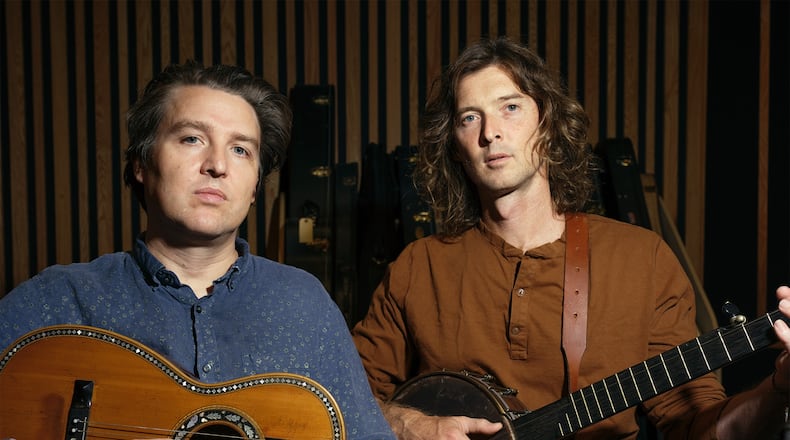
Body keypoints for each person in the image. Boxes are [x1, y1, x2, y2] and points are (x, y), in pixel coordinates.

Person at [351, 36, 790, 439]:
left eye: (510, 107)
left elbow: (697, 425)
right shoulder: (418, 266)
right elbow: (340, 394)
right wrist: (408, 423)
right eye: (470, 117)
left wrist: (778, 391)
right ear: (456, 146)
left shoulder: (642, 259)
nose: (490, 133)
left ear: (548, 121)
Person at [0, 61, 394, 439]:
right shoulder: (57, 300)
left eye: (241, 149)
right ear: (141, 162)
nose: (217, 164)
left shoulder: (304, 304)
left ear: (255, 186)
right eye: (192, 138)